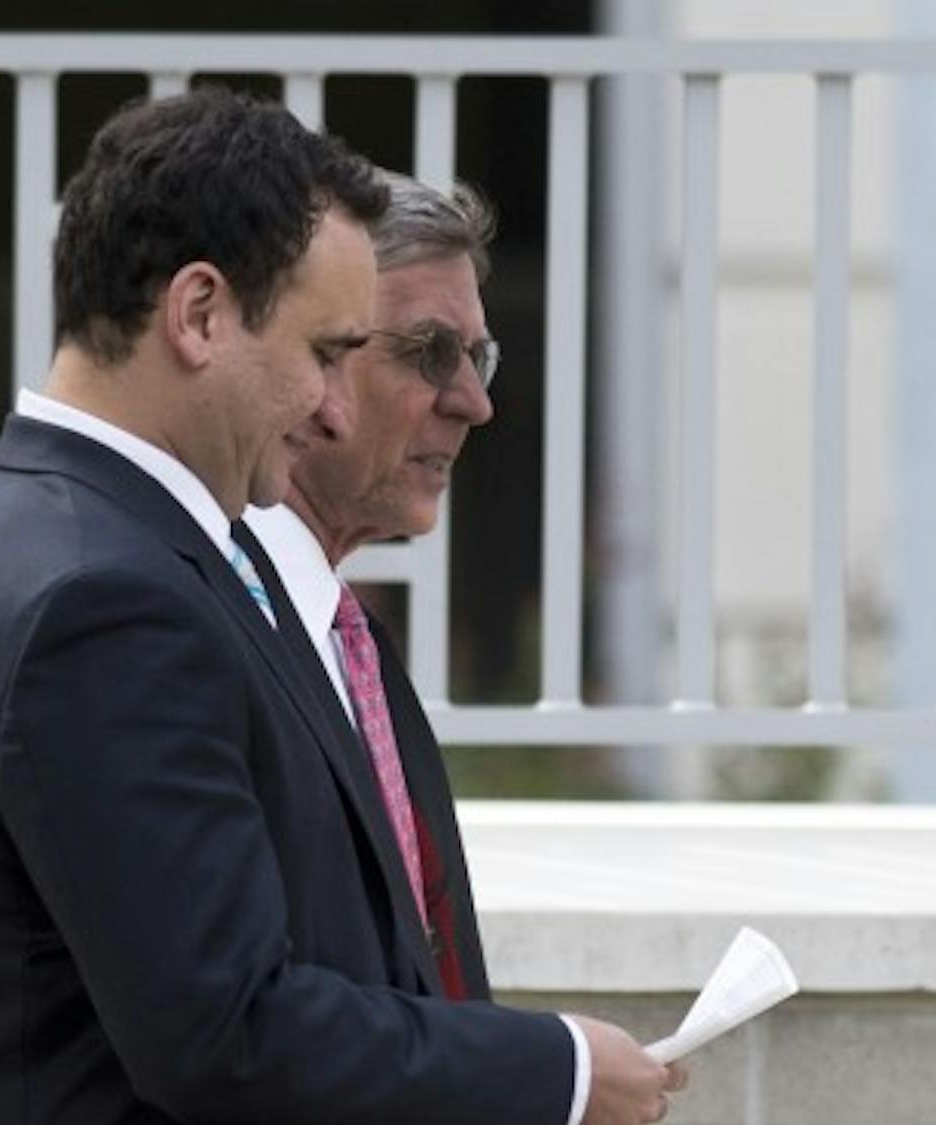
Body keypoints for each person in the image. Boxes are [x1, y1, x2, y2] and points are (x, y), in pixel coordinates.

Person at [0, 90, 677, 1124]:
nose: (334, 408)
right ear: (200, 314)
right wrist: (554, 1072)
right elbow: (230, 1035)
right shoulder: (104, 598)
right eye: (327, 353)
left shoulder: (86, 544)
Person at [241, 171, 689, 1124]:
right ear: (308, 360)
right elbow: (238, 1025)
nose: (470, 404)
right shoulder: (204, 623)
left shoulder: (342, 635)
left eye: (477, 359)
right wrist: (554, 1071)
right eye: (427, 352)